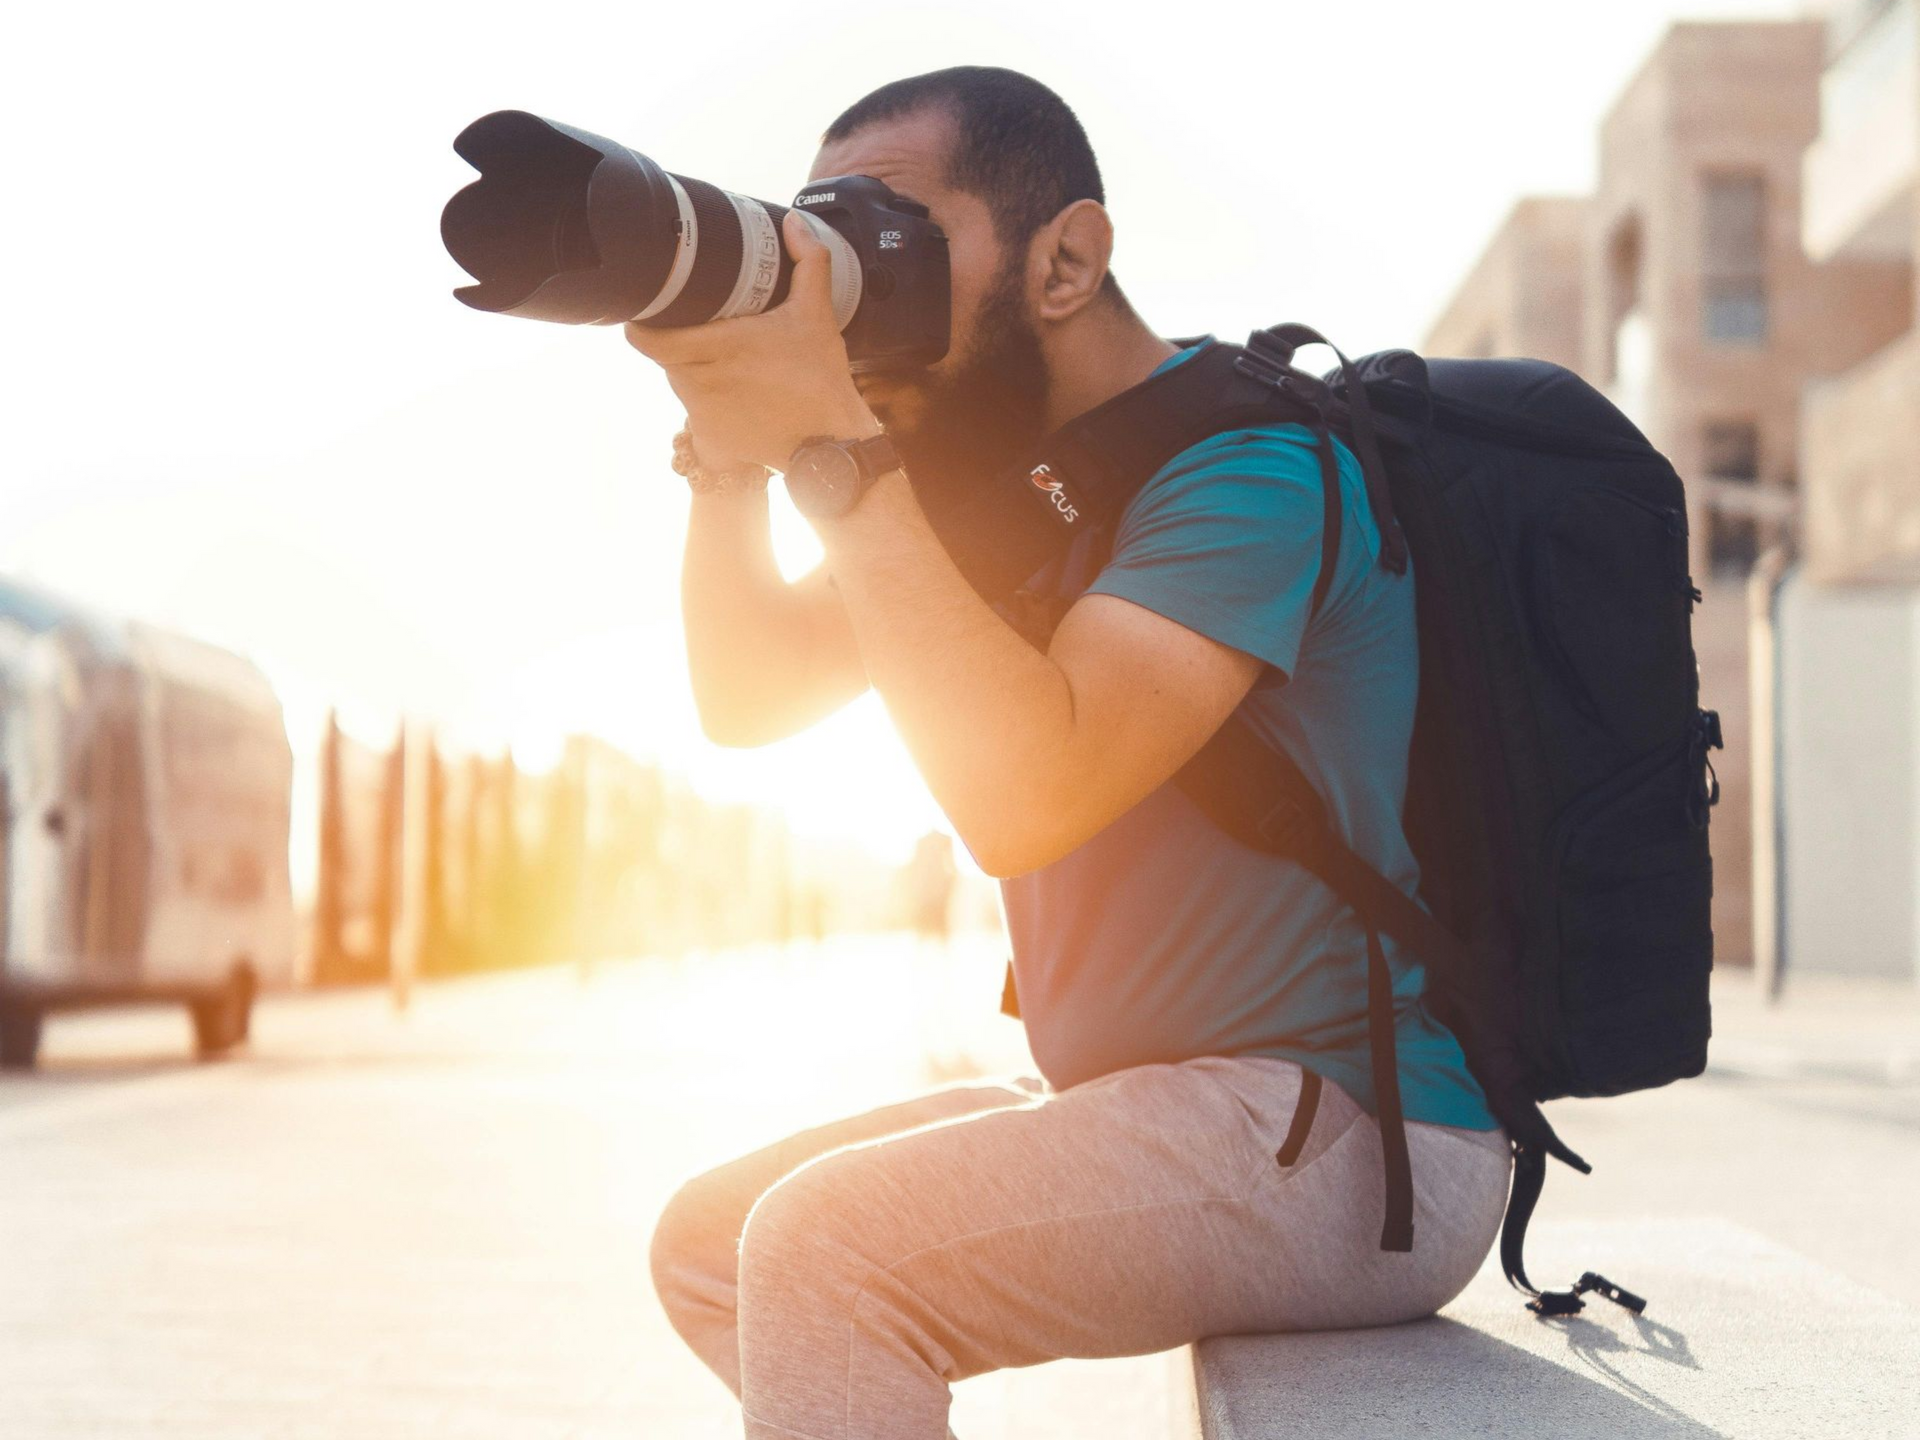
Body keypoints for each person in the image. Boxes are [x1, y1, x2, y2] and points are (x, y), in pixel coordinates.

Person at [632, 65, 1511, 1440]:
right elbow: (748, 696)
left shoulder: (1249, 468)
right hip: (1158, 1093)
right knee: (710, 1243)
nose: (859, 284)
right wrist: (732, 454)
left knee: (825, 1251)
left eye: (894, 235)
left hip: (1356, 1135)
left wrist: (835, 447)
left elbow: (1027, 797)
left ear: (1069, 261)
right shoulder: (1000, 497)